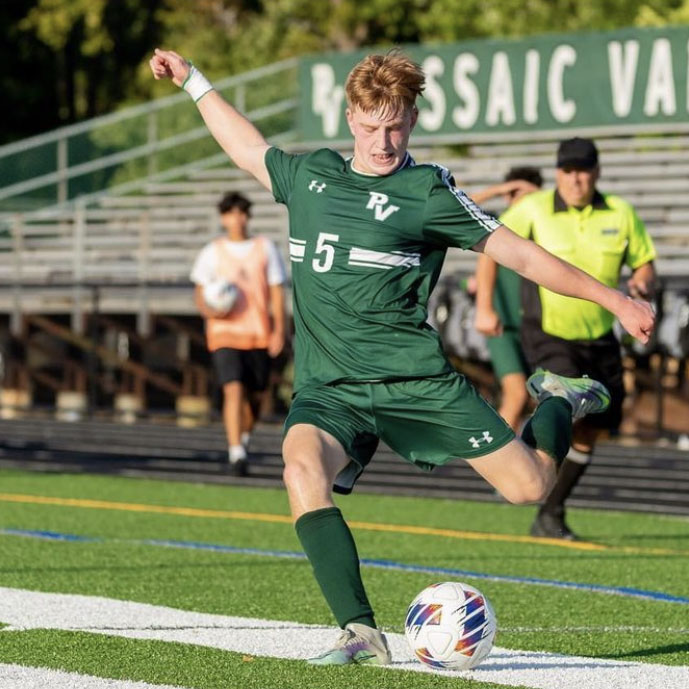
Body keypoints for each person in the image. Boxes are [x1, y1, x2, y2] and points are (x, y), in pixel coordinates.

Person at [150, 49, 654, 665]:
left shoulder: (426, 193)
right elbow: (246, 146)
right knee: (300, 469)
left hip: (415, 383)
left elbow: (521, 254)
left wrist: (615, 299)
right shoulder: (312, 177)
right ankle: (359, 631)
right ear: (350, 115)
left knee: (531, 488)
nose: (382, 141)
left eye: (395, 125)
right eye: (369, 125)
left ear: (412, 119)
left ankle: (555, 399)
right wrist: (194, 80)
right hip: (329, 388)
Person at [498, 138, 657, 540]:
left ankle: (550, 512)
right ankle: (525, 470)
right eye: (568, 170)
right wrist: (485, 304)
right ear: (557, 173)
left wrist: (641, 282)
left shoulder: (621, 212)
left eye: (583, 170)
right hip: (549, 330)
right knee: (565, 398)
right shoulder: (532, 209)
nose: (576, 178)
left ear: (597, 172)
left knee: (593, 427)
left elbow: (644, 262)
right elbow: (489, 246)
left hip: (601, 335)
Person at [190, 191, 286, 476]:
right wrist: (209, 311)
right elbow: (199, 291)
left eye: (242, 213)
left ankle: (242, 438)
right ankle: (236, 454)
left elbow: (277, 292)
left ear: (248, 216)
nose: (237, 219)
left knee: (256, 396)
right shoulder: (212, 251)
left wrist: (280, 330)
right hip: (225, 333)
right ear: (223, 218)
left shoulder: (265, 248)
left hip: (258, 333)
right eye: (231, 213)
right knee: (233, 388)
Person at [472, 167, 543, 430]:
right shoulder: (496, 223)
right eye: (513, 193)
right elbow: (457, 202)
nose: (519, 199)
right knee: (516, 394)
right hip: (503, 326)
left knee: (542, 399)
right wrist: (499, 190)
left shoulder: (544, 224)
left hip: (538, 326)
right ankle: (500, 463)